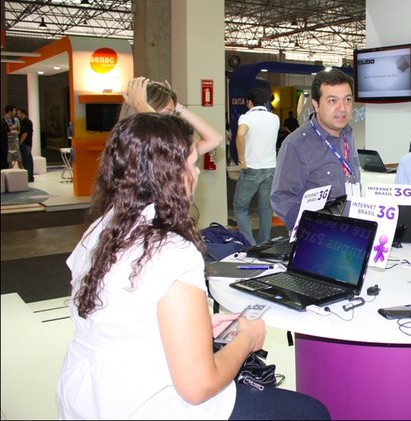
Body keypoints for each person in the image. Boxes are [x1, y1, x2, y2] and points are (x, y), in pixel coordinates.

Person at [56, 112, 330, 419]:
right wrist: (246, 339)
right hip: (146, 403)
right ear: (168, 174)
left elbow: (123, 317)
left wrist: (197, 329)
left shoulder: (100, 230)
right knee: (312, 412)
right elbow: (199, 386)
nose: (196, 173)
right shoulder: (172, 252)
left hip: (85, 396)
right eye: (191, 163)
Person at [271, 69, 361, 230]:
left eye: (347, 100)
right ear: (316, 105)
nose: (342, 108)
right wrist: (311, 226)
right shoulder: (296, 145)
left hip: (351, 230)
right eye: (333, 101)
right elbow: (281, 197)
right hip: (317, 237)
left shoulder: (348, 134)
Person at [119, 76, 222, 156]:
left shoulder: (173, 149)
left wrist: (175, 105)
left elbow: (214, 139)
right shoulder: (130, 154)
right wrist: (139, 103)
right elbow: (158, 134)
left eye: (173, 114)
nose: (171, 121)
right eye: (165, 114)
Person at [233, 87, 279, 245]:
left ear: (249, 103)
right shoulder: (274, 118)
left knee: (240, 208)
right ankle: (264, 244)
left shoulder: (246, 118)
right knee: (266, 209)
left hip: (251, 169)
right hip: (271, 169)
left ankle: (250, 244)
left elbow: (240, 134)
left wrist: (241, 159)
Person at [17, 108, 35, 182]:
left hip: (24, 144)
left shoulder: (24, 122)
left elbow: (25, 133)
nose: (18, 115)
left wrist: (20, 143)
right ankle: (30, 177)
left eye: (19, 113)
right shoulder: (29, 121)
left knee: (26, 161)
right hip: (29, 143)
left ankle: (28, 178)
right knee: (29, 161)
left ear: (23, 113)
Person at [4, 105, 23, 170]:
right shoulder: (3, 120)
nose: (15, 112)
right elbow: (4, 131)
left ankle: (23, 176)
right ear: (10, 111)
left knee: (19, 160)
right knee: (9, 162)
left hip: (15, 142)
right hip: (7, 143)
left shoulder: (16, 119)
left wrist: (15, 131)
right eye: (14, 110)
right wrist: (11, 128)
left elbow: (18, 130)